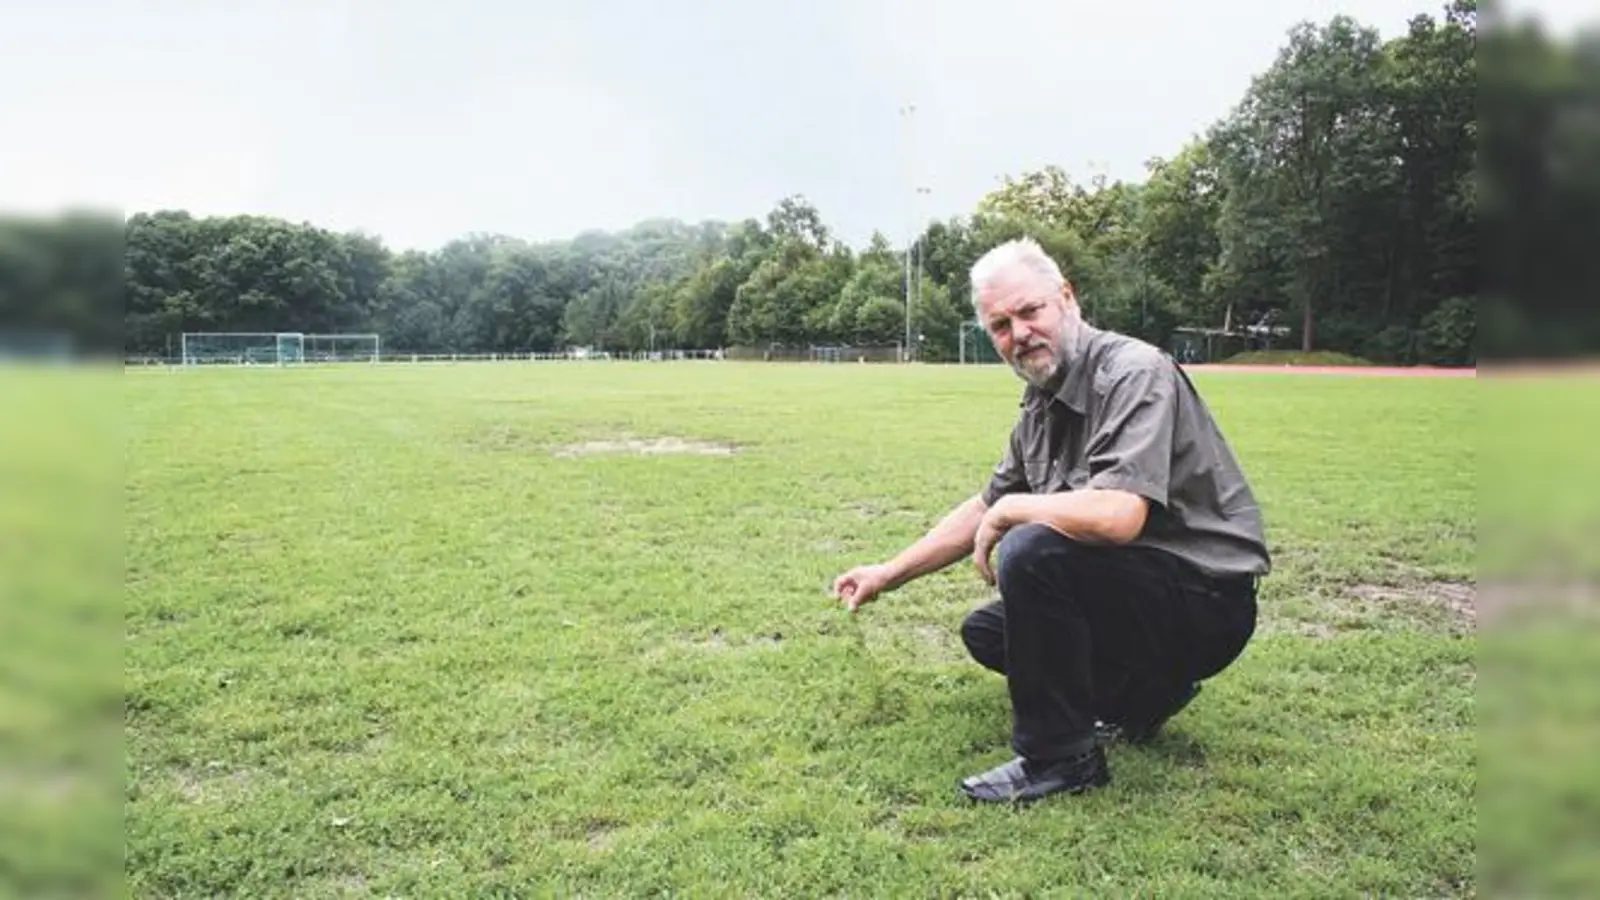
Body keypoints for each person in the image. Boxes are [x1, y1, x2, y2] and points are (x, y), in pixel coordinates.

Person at [831, 237, 1270, 804]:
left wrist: (1017, 511)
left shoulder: (1132, 373)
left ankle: (1059, 759)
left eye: (1030, 311)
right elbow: (987, 504)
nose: (1020, 334)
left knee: (1032, 549)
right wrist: (887, 573)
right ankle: (1146, 694)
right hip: (1149, 596)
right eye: (1001, 324)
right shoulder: (1041, 403)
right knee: (992, 633)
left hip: (1208, 602)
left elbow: (1117, 514)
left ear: (1066, 298)